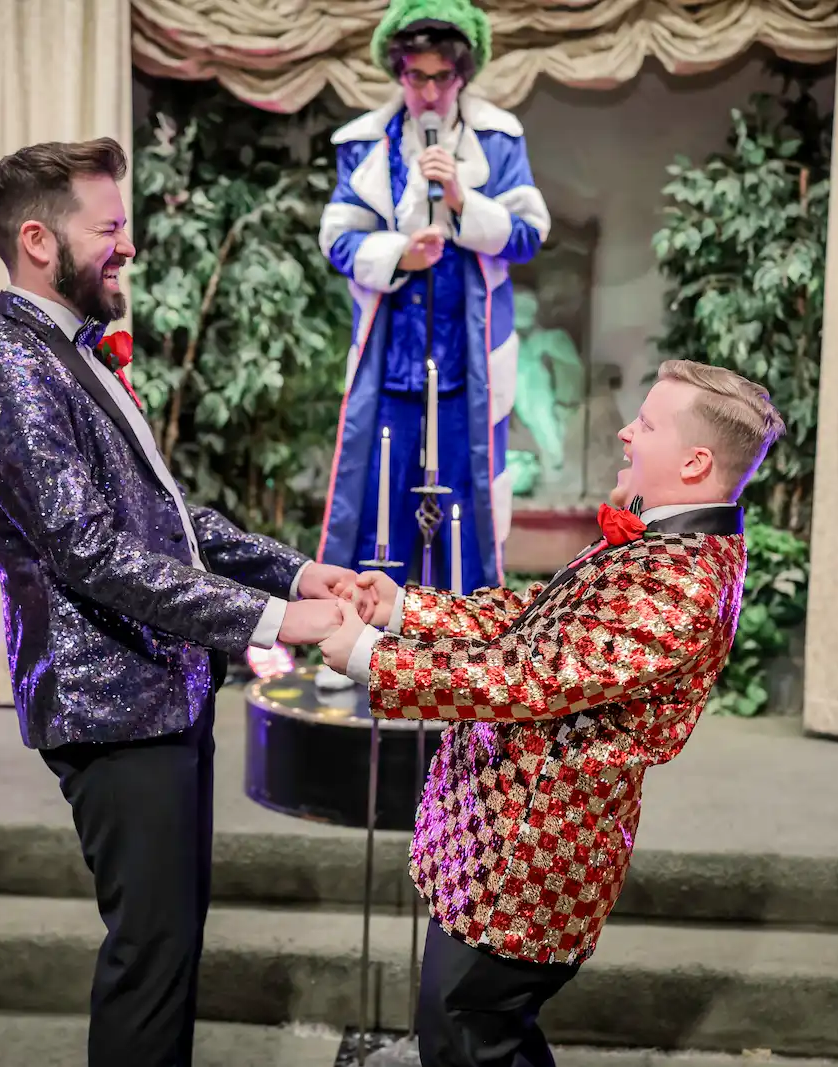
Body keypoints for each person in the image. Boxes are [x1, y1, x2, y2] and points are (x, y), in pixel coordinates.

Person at [0, 137, 355, 1066]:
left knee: (170, 947)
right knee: (150, 956)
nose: (128, 246)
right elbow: (87, 550)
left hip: (157, 693)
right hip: (109, 707)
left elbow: (167, 519)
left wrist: (295, 574)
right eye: (110, 228)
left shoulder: (75, 356)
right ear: (39, 242)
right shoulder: (8, 367)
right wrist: (272, 622)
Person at [319, 360, 785, 1067]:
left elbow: (527, 675)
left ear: (695, 461)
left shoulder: (683, 581)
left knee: (468, 1038)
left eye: (648, 423)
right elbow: (538, 619)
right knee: (474, 1034)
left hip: (531, 865)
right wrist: (405, 607)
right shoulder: (664, 540)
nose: (627, 431)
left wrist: (368, 655)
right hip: (503, 842)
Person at [316, 0, 551, 602]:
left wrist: (460, 198)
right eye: (415, 76)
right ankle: (361, 636)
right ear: (398, 74)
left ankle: (466, 647)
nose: (427, 91)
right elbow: (338, 240)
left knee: (463, 506)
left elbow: (527, 237)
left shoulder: (498, 140)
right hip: (390, 362)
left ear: (461, 75)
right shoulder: (364, 143)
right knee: (377, 501)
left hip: (465, 366)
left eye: (440, 76)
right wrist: (400, 254)